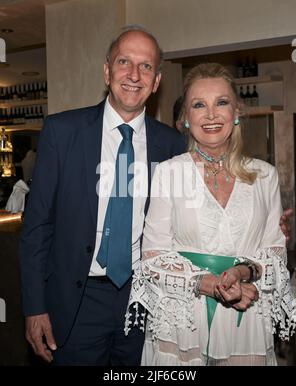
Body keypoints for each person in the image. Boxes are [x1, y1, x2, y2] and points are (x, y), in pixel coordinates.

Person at [19, 26, 186, 365]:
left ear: (156, 82)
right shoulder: (62, 132)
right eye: (124, 62)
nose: (134, 75)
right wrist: (35, 306)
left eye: (146, 66)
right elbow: (37, 226)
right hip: (75, 301)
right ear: (107, 71)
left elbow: (189, 219)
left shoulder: (173, 146)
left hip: (144, 302)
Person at [125, 63, 296, 366]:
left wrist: (243, 274)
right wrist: (208, 284)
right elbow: (152, 256)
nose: (211, 114)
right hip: (183, 320)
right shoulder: (168, 173)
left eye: (221, 102)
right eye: (198, 105)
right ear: (186, 120)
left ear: (237, 112)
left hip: (245, 314)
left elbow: (275, 251)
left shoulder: (264, 176)